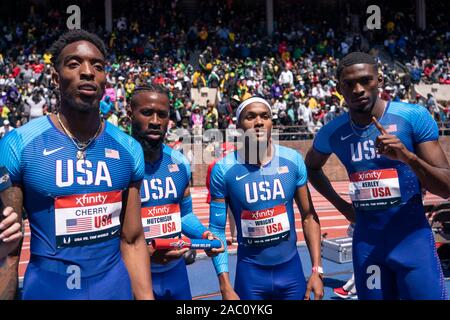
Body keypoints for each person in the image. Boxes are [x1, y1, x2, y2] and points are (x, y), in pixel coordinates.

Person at [0, 30, 153, 300]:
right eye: (74, 64)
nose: (87, 72)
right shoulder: (19, 144)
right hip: (47, 290)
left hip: (114, 290)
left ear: (106, 80)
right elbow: (10, 251)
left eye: (97, 66)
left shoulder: (129, 149)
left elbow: (132, 239)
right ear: (55, 78)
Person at [305, 52, 450, 300]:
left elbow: (447, 187)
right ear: (339, 88)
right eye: (348, 84)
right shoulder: (333, 131)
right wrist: (342, 207)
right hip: (368, 245)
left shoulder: (412, 117)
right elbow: (312, 167)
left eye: (366, 80)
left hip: (412, 241)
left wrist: (407, 157)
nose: (358, 89)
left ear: (380, 79)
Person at [208, 96, 324, 300]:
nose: (259, 122)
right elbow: (217, 229)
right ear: (238, 125)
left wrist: (316, 270)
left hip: (291, 273)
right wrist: (225, 286)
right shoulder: (223, 170)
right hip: (250, 276)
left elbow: (308, 216)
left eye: (265, 116)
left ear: (272, 122)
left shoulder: (293, 160)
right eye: (250, 117)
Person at [128, 84, 224, 300]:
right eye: (146, 112)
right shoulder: (118, 162)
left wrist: (203, 234)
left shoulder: (179, 162)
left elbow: (184, 215)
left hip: (176, 274)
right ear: (129, 114)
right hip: (133, 276)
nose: (155, 121)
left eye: (162, 114)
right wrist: (145, 253)